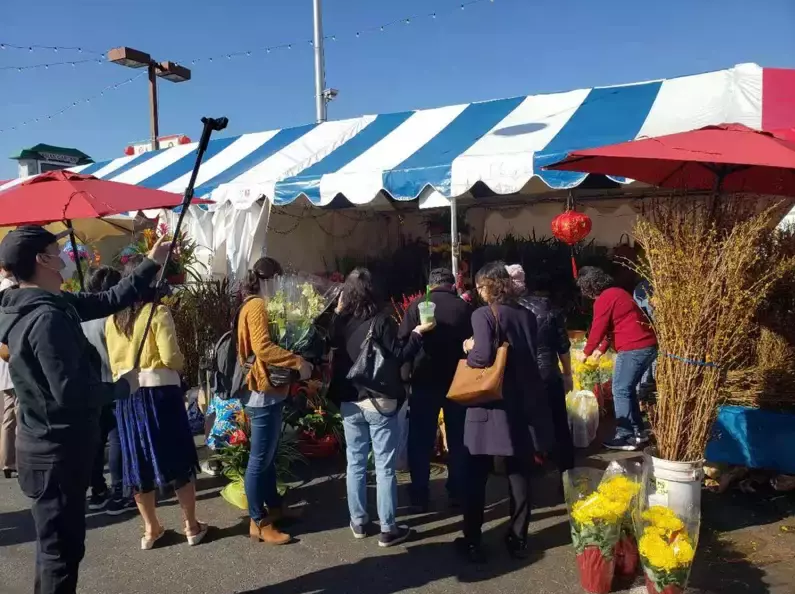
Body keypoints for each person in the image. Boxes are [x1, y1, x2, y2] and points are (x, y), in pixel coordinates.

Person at [0, 225, 166, 594]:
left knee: (55, 551)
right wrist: (122, 387)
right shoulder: (46, 318)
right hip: (55, 456)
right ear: (41, 260)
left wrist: (151, 264)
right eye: (54, 249)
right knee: (61, 554)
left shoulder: (44, 303)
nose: (63, 255)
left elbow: (105, 300)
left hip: (47, 450)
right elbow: (71, 393)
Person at [105, 256, 206, 550]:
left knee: (138, 463)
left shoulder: (112, 319)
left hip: (126, 396)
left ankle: (150, 530)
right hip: (160, 396)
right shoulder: (158, 312)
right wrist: (184, 363)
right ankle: (191, 525)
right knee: (177, 459)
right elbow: (171, 357)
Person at [330, 268, 434, 547]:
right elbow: (400, 354)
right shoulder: (382, 321)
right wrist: (418, 333)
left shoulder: (341, 323)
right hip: (380, 400)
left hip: (349, 399)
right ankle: (388, 527)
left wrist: (338, 313)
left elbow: (326, 343)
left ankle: (359, 522)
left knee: (355, 462)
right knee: (384, 466)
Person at [458, 261, 552, 562]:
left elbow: (483, 356)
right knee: (519, 474)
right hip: (521, 404)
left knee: (476, 475)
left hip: (489, 406)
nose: (478, 291)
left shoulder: (482, 314)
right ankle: (518, 538)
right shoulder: (526, 314)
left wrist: (469, 348)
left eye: (480, 285)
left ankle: (472, 540)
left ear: (489, 286)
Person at [237, 256, 311, 546]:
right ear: (269, 279)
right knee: (259, 460)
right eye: (279, 281)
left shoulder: (250, 303)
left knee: (266, 458)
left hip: (265, 392)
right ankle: (258, 521)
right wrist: (297, 361)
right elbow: (263, 347)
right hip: (262, 392)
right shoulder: (256, 305)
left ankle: (274, 508)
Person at [398, 268, 471, 511]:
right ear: (452, 285)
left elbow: (403, 344)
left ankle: (419, 493)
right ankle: (458, 491)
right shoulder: (463, 308)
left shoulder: (418, 305)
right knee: (458, 438)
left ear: (430, 285)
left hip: (423, 380)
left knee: (420, 439)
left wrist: (405, 378)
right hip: (458, 381)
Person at [576, 266, 658, 451]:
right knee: (627, 390)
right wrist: (602, 349)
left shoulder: (604, 299)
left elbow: (599, 327)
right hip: (646, 345)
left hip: (634, 347)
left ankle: (625, 435)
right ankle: (638, 431)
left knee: (620, 389)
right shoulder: (617, 293)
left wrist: (586, 351)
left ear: (588, 288)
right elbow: (615, 325)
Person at [507, 264, 575, 474]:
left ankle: (533, 464)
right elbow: (562, 345)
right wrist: (567, 373)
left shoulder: (505, 311)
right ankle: (566, 468)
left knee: (526, 422)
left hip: (520, 375)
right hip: (548, 372)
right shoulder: (546, 306)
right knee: (558, 420)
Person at [81, 266, 135, 516]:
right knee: (116, 439)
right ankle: (119, 490)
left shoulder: (82, 319)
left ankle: (98, 490)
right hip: (113, 384)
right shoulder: (114, 319)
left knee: (95, 440)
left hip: (91, 387)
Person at [0, 268, 17, 479]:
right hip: (12, 367)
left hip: (4, 370)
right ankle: (16, 460)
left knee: (7, 416)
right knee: (20, 415)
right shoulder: (10, 310)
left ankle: (7, 461)